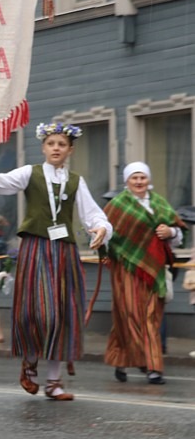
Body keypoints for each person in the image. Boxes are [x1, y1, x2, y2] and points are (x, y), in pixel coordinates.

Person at [0, 122, 111, 401]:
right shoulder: (30, 173)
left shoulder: (75, 182)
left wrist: (101, 229)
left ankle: (53, 383)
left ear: (70, 150)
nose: (56, 148)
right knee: (37, 313)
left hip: (64, 253)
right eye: (51, 144)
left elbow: (92, 215)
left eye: (61, 144)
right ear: (44, 148)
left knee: (61, 316)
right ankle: (30, 362)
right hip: (35, 249)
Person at [103, 161, 186, 385]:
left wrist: (170, 231)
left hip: (154, 269)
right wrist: (104, 251)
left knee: (150, 317)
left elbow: (178, 234)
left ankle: (153, 367)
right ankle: (122, 359)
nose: (139, 182)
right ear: (127, 181)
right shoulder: (117, 205)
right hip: (125, 268)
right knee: (128, 316)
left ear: (148, 180)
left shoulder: (159, 203)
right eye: (134, 178)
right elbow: (103, 234)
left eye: (142, 178)